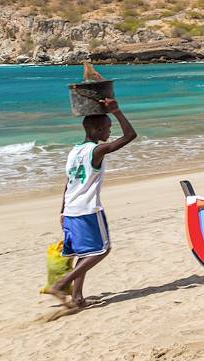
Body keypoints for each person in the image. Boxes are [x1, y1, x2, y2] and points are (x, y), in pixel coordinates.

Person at [42, 98, 136, 309]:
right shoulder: (96, 151)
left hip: (70, 209)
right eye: (107, 128)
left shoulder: (74, 152)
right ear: (96, 129)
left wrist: (62, 211)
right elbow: (130, 136)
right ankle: (61, 284)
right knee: (101, 250)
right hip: (88, 209)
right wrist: (117, 111)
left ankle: (76, 298)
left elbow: (68, 183)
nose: (109, 132)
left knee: (84, 253)